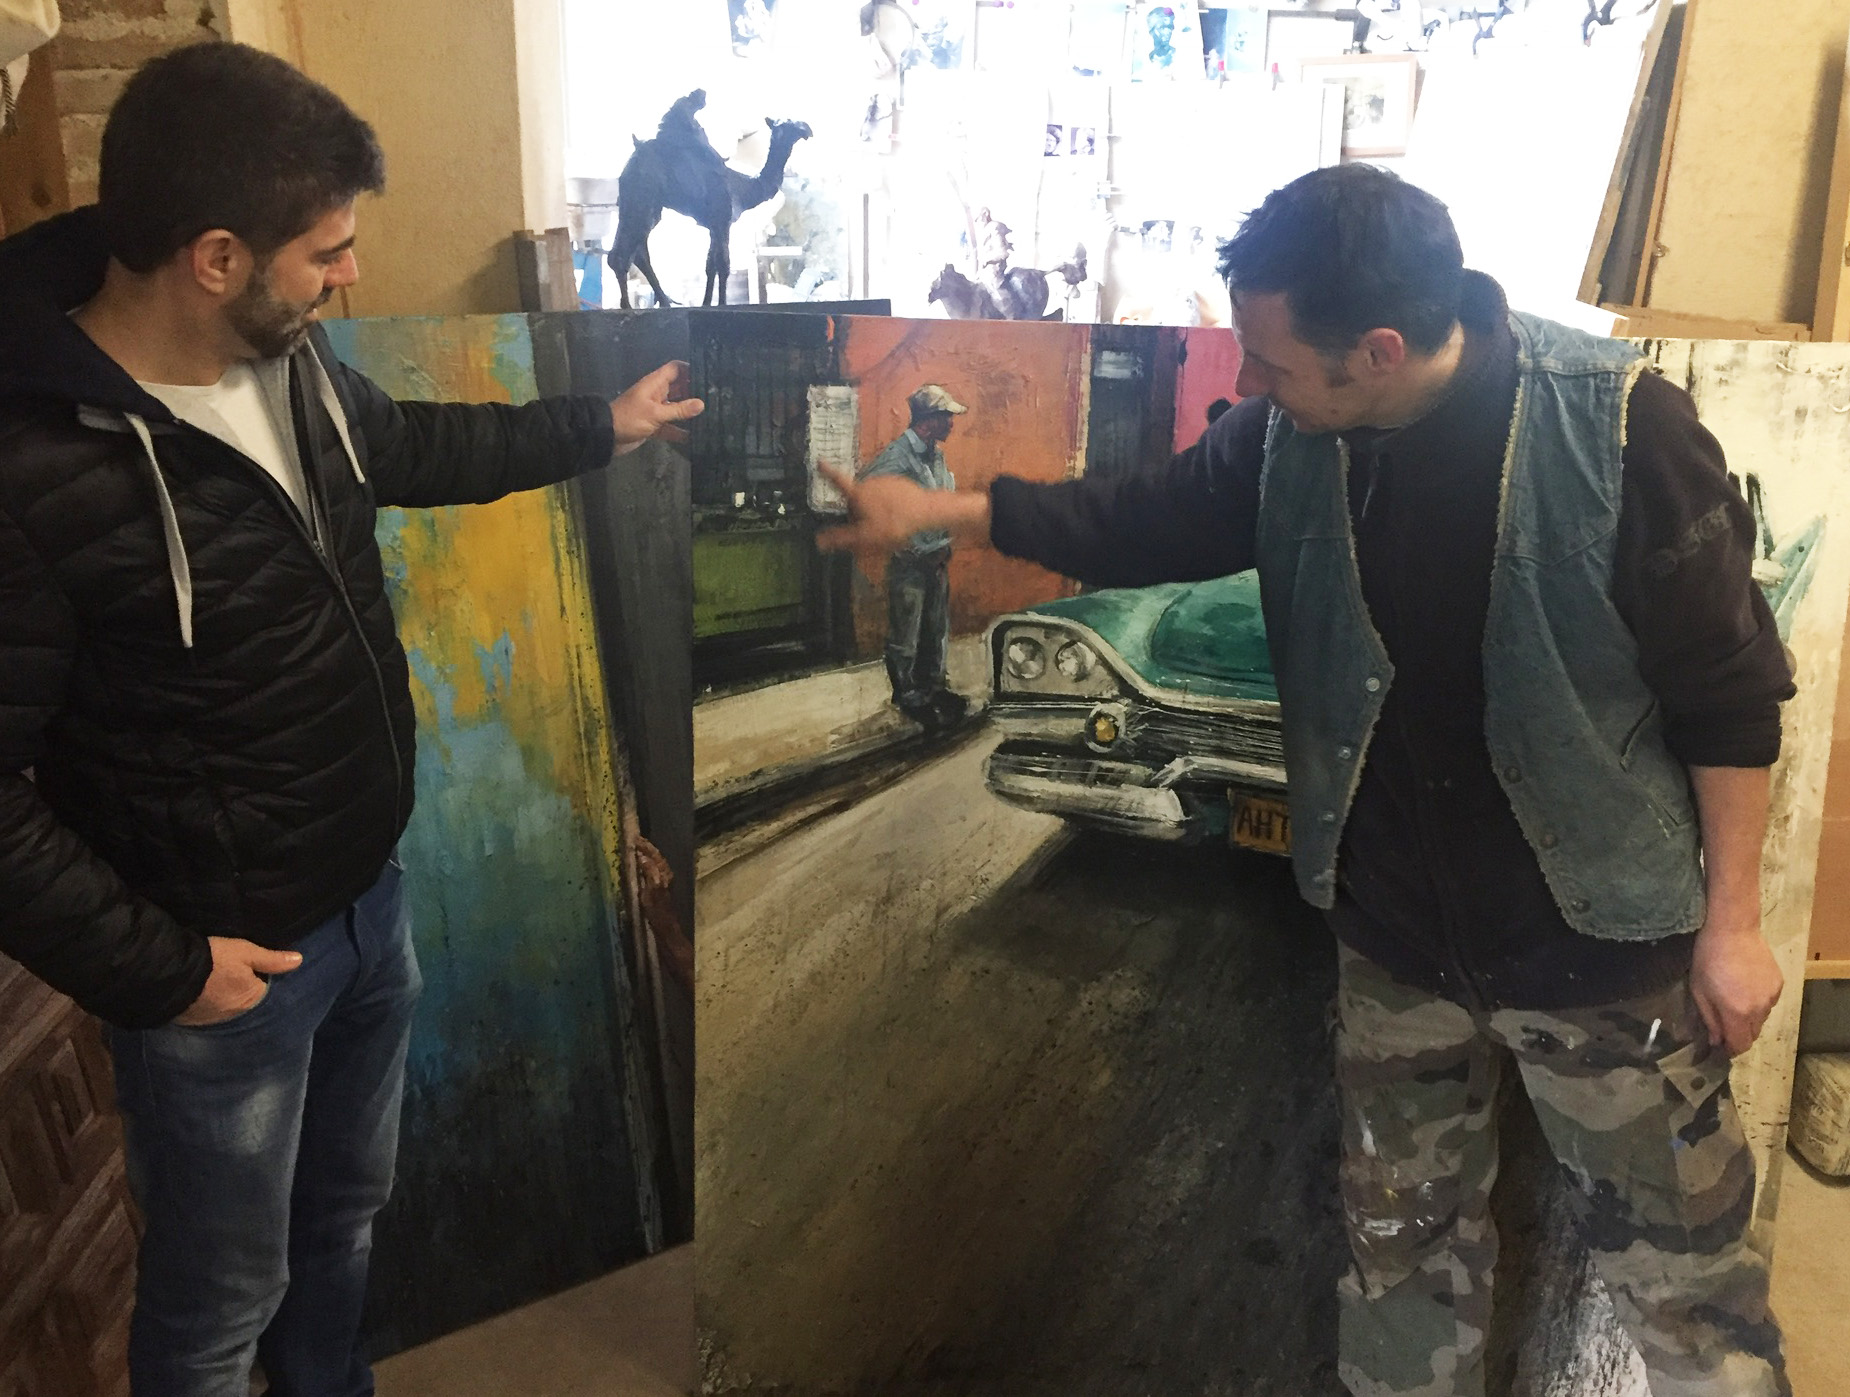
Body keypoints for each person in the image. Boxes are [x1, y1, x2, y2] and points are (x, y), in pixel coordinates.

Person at [820, 164, 1793, 1396]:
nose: (1245, 382)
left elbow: (1726, 691)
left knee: (1687, 1293)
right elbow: (1146, 515)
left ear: (1377, 350)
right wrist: (954, 512)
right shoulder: (1289, 431)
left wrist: (1732, 927)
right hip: (1396, 939)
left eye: (1270, 360)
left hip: (1598, 945)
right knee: (1397, 1263)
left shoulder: (1619, 427)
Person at [0, 42, 702, 1397]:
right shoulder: (32, 463)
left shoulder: (290, 360)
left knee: (340, 1231)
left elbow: (416, 447)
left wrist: (596, 427)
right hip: (223, 984)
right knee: (217, 1316)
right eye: (327, 251)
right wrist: (162, 970)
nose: (352, 272)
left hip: (369, 908)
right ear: (216, 258)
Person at [860, 384, 970, 731]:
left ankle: (933, 689)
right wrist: (896, 538)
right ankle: (908, 696)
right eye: (946, 416)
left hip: (937, 559)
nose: (951, 423)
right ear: (928, 420)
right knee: (906, 634)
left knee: (935, 630)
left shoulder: (935, 455)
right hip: (910, 563)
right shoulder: (899, 454)